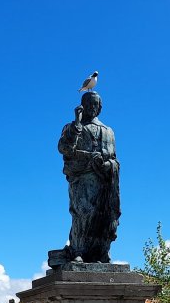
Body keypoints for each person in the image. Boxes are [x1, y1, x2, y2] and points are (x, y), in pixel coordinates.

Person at [51, 91, 120, 267]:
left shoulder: (108, 131)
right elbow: (64, 148)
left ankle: (101, 252)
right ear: (81, 107)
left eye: (95, 104)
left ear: (100, 108)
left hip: (103, 179)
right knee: (82, 212)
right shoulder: (72, 127)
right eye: (88, 104)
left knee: (103, 214)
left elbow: (114, 159)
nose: (92, 107)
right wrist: (77, 124)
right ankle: (78, 251)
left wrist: (109, 165)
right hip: (81, 177)